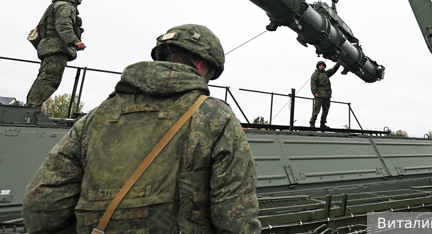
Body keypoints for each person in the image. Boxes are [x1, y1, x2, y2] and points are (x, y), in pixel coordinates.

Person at [23, 24, 261, 233]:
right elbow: (236, 219)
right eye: (210, 73)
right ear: (201, 64)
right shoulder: (214, 116)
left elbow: (42, 204)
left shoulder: (96, 117)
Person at [26, 0, 87, 109]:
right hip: (56, 48)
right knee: (49, 80)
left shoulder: (57, 5)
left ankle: (30, 108)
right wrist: (75, 41)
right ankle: (30, 110)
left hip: (50, 48)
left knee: (44, 78)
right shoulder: (65, 6)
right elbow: (63, 25)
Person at [309, 60, 340, 128]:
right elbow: (313, 84)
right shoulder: (315, 75)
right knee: (316, 110)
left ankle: (322, 123)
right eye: (320, 65)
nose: (321, 66)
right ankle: (312, 123)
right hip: (319, 95)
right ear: (318, 66)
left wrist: (339, 62)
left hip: (327, 95)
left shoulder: (326, 73)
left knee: (325, 110)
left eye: (323, 65)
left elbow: (333, 70)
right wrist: (315, 93)